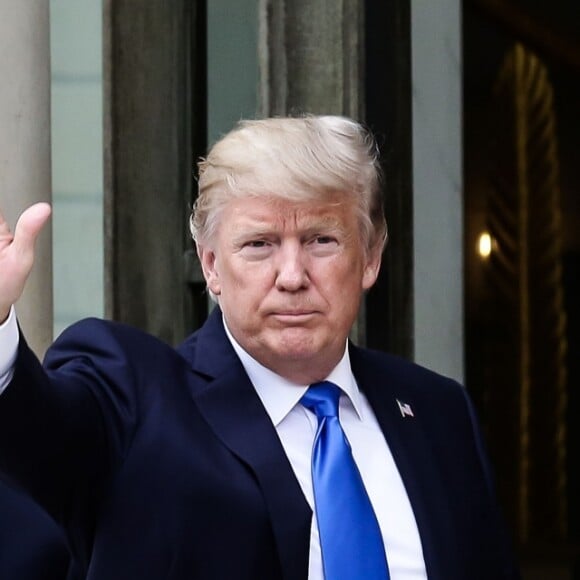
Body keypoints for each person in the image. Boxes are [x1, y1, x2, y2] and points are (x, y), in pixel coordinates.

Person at [0, 116, 519, 579]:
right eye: (259, 244)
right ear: (210, 266)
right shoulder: (135, 393)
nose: (292, 276)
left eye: (321, 240)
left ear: (370, 258)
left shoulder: (439, 413)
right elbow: (41, 445)